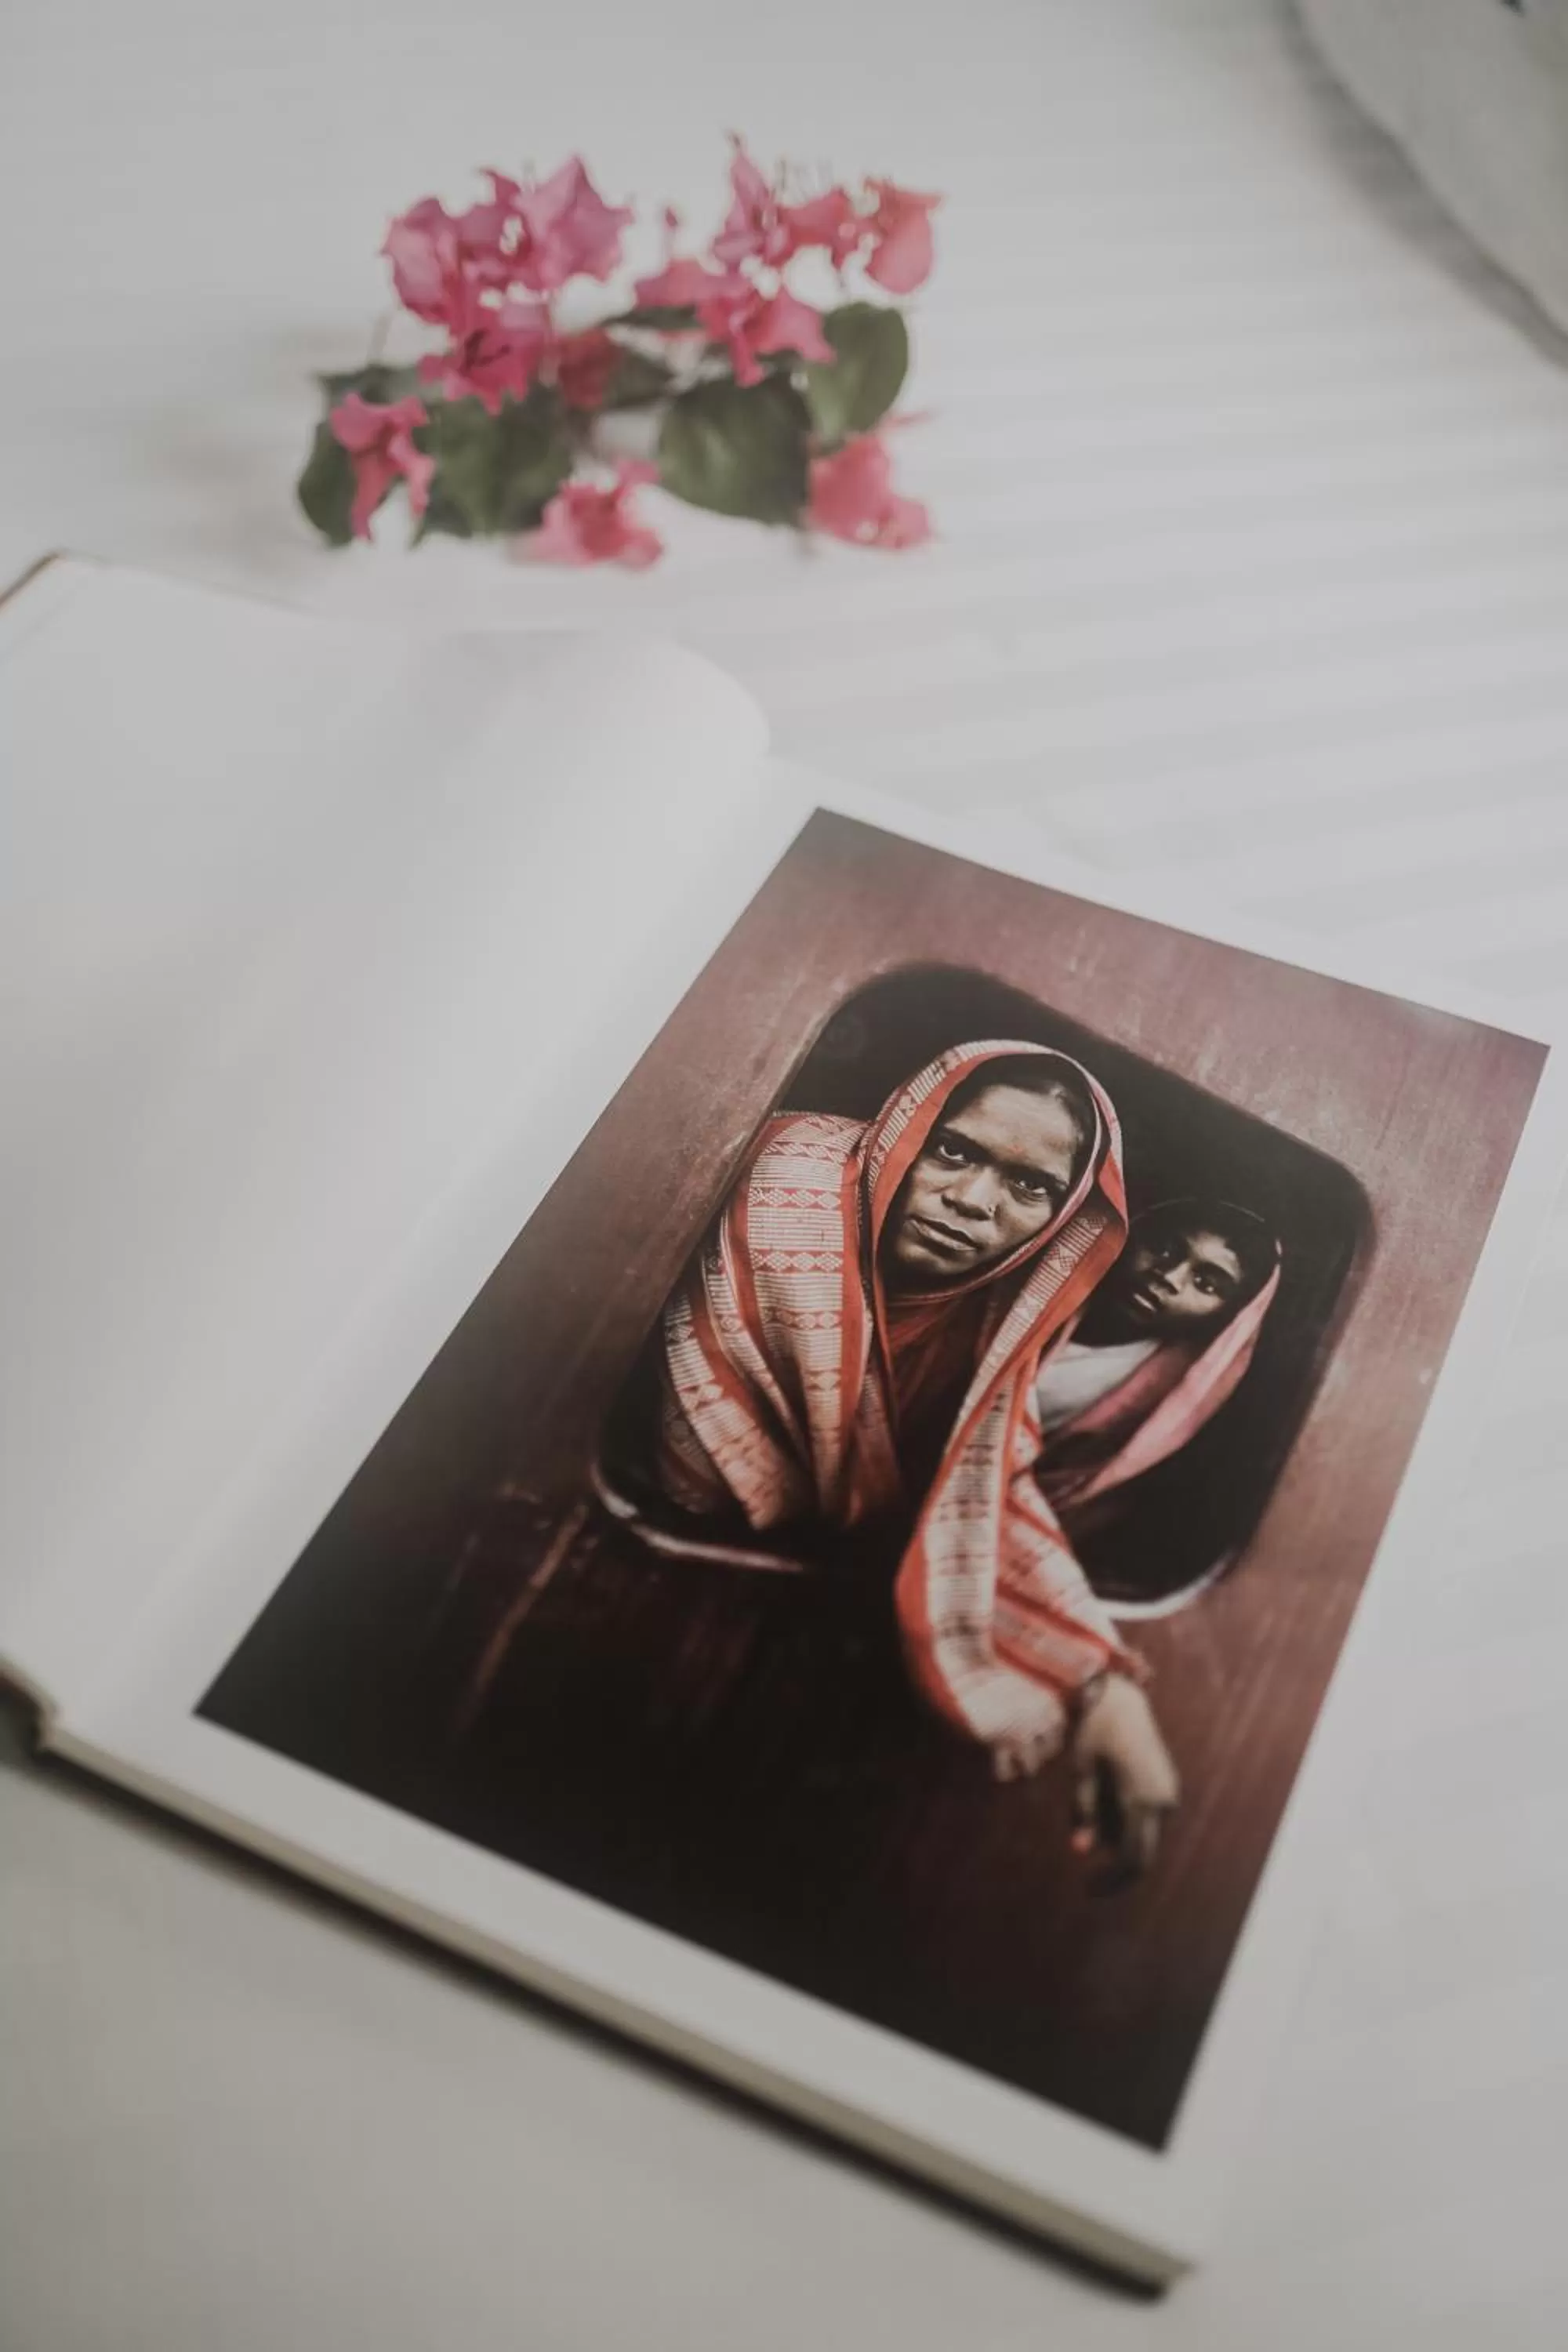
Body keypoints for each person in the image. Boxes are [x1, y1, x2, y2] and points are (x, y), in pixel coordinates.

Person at [596, 1038, 1181, 1871]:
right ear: (902, 1125)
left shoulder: (991, 1322)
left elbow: (983, 1482)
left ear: (1060, 1216)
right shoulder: (779, 1183)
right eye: (952, 1150)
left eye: (1029, 1187)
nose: (973, 1203)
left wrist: (1105, 1685)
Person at [1033, 1200, 1282, 1577]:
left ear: (1227, 1315)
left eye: (1206, 1283)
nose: (1169, 1276)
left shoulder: (1158, 1398)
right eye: (1165, 1249)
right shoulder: (1038, 1300)